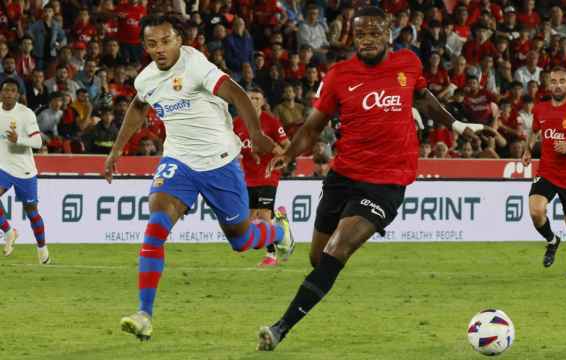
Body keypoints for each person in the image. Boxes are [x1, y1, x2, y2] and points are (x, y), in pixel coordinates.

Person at [256, 7, 488, 351]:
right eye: (360, 34)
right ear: (353, 36)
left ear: (388, 35)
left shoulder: (408, 65)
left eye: (374, 33)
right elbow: (313, 126)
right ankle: (309, 268)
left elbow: (424, 98)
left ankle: (280, 328)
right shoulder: (339, 75)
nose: (366, 40)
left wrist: (455, 125)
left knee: (338, 248)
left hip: (387, 182)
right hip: (343, 175)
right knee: (318, 260)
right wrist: (289, 154)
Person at [103, 14, 294, 341]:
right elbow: (137, 107)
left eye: (166, 41)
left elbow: (235, 92)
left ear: (179, 39)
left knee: (240, 239)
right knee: (156, 225)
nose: (159, 49)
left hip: (220, 162)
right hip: (178, 162)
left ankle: (278, 232)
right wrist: (116, 150)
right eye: (152, 44)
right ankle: (144, 314)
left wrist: (256, 134)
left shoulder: (195, 64)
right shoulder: (147, 79)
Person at [522, 66, 566, 280]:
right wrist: (528, 149)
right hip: (546, 171)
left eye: (562, 81)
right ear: (548, 84)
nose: (557, 85)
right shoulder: (540, 109)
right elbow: (534, 130)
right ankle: (552, 241)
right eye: (553, 81)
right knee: (536, 211)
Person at [233, 87, 290, 267]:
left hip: (268, 174)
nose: (254, 101)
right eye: (250, 98)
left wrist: (280, 158)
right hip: (249, 176)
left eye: (257, 98)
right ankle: (281, 227)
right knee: (250, 218)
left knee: (264, 214)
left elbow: (287, 145)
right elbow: (231, 146)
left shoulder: (271, 122)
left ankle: (271, 256)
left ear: (263, 101)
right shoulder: (237, 123)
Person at [0, 78, 50, 264]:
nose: (8, 94)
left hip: (25, 170)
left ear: (18, 95)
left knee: (32, 212)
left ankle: (42, 248)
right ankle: (8, 231)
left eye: (12, 91)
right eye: (5, 90)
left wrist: (18, 139)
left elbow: (37, 142)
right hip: (3, 166)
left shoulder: (25, 113)